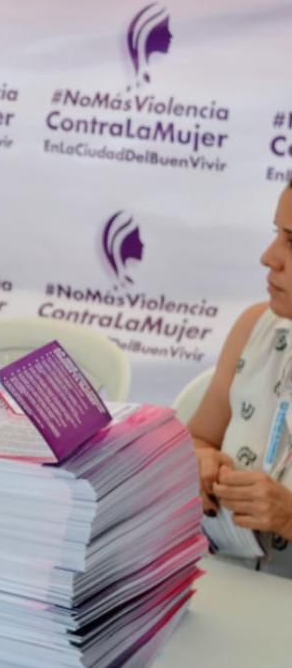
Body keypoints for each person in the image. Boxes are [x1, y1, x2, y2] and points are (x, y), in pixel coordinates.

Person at [189, 180, 292, 577]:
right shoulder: (255, 327)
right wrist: (199, 463)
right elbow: (198, 438)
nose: (269, 258)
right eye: (276, 234)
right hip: (224, 584)